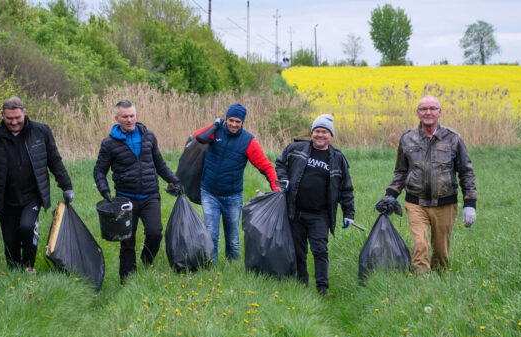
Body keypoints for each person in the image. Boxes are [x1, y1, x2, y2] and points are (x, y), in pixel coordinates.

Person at [0, 96, 74, 273]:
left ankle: (29, 268)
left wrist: (66, 187)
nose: (14, 122)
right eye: (9, 119)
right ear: (2, 115)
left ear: (24, 112)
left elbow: (54, 161)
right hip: (5, 197)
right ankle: (15, 273)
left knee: (27, 228)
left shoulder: (41, 131)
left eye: (17, 118)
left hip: (32, 195)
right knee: (10, 240)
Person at [384, 95, 477, 274]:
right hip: (416, 202)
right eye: (423, 109)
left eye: (432, 108)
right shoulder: (407, 138)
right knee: (420, 245)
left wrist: (470, 204)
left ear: (439, 112)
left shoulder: (454, 139)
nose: (428, 112)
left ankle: (439, 284)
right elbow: (401, 171)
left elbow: (466, 172)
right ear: (418, 113)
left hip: (445, 204)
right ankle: (421, 286)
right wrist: (390, 194)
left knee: (441, 253)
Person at [93, 100, 183, 283]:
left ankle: (146, 260)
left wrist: (175, 181)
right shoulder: (109, 144)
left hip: (150, 196)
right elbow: (99, 171)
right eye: (124, 116)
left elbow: (160, 164)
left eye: (132, 115)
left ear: (136, 116)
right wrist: (104, 190)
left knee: (155, 232)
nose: (129, 119)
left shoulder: (149, 137)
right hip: (125, 198)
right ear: (116, 118)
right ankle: (127, 279)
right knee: (127, 240)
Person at [275, 114, 355, 296]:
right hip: (295, 211)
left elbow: (346, 188)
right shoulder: (296, 149)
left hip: (320, 214)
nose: (320, 135)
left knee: (320, 250)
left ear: (331, 135)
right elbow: (280, 163)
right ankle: (301, 284)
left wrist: (348, 213)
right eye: (317, 131)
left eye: (324, 132)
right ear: (312, 133)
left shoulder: (337, 158)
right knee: (298, 251)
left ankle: (322, 288)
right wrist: (284, 179)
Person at [194, 104, 279, 262]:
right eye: (231, 120)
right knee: (210, 233)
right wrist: (214, 125)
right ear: (226, 118)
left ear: (242, 123)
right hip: (209, 193)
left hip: (232, 196)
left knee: (232, 238)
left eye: (237, 122)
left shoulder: (248, 141)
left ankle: (232, 267)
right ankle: (211, 268)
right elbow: (199, 136)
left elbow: (266, 166)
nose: (233, 124)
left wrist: (276, 188)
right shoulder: (215, 132)